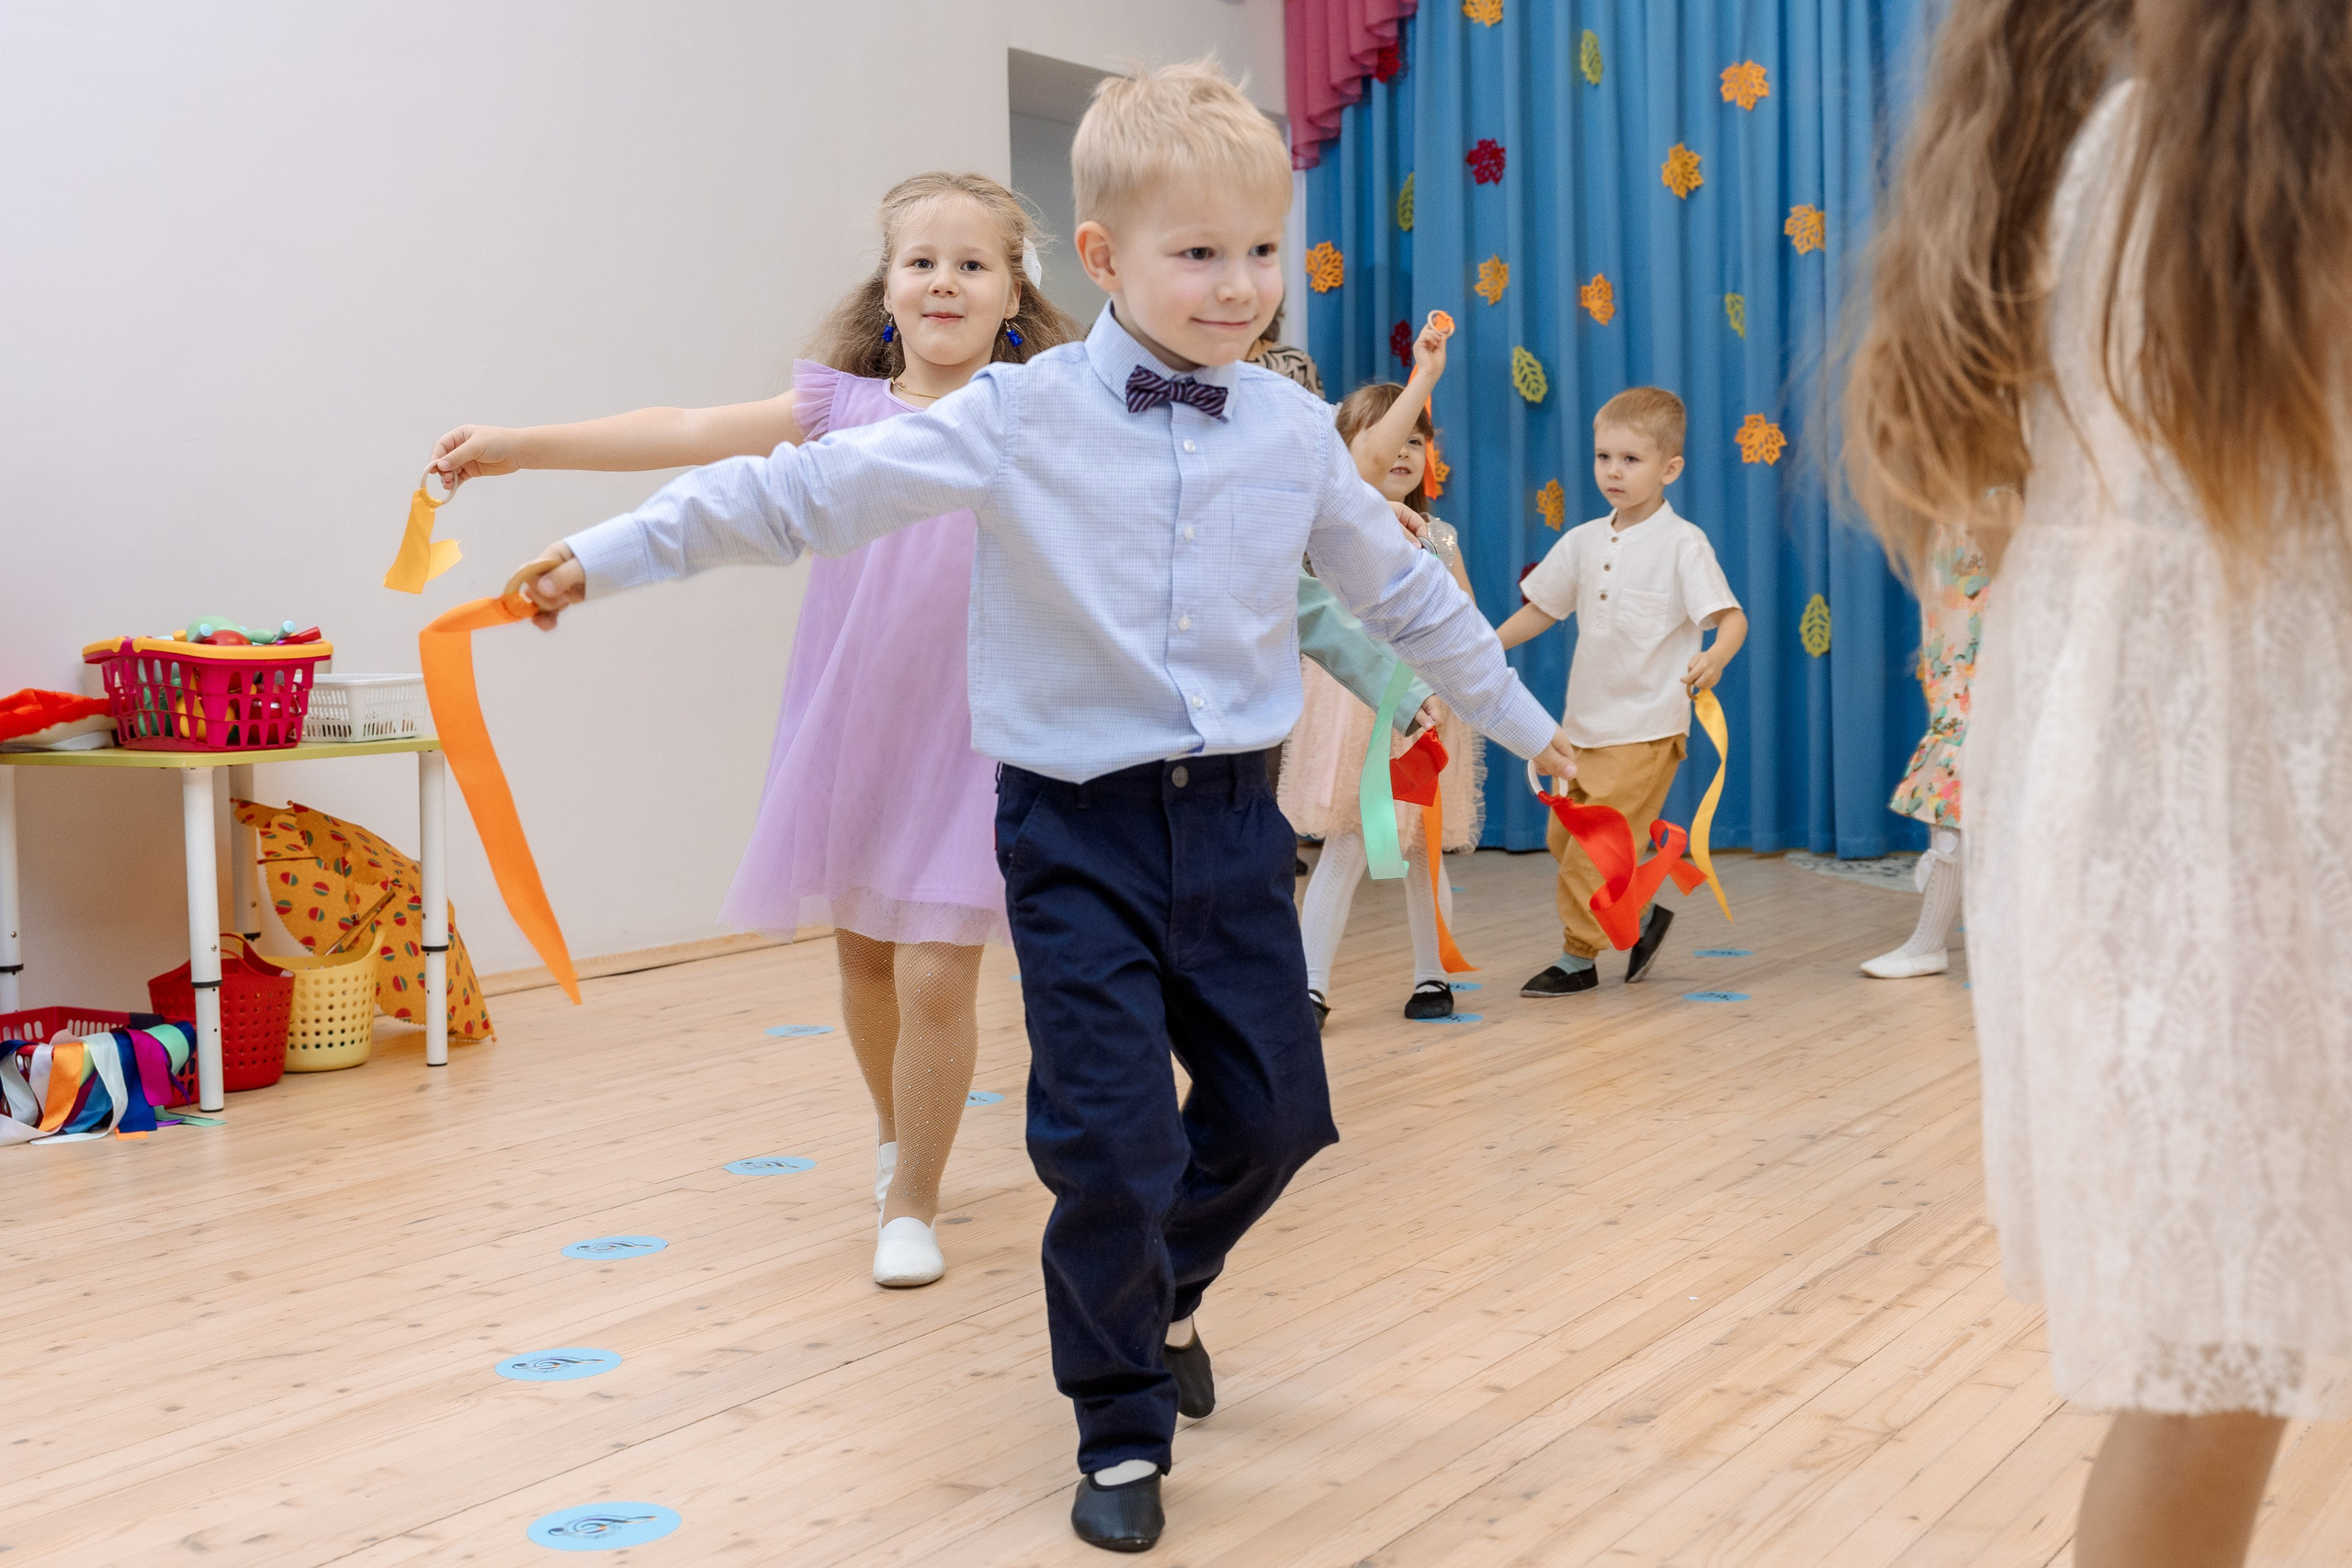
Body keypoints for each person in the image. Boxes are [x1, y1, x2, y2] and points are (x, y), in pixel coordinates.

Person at [507, 61, 1575, 1553]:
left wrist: (1535, 728)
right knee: (1109, 1137)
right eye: (1197, 253)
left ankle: (1169, 1285)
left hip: (1233, 827)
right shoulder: (1016, 414)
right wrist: (602, 555)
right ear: (1102, 256)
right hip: (1074, 829)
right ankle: (1120, 1424)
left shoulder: (1289, 431)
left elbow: (1402, 594)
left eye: (1261, 250)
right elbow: (795, 493)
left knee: (1278, 1115)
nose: (1238, 284)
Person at [426, 175, 1431, 1296]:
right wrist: (519, 446)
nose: (943, 282)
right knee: (863, 955)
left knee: (937, 969)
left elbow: (1225, 501)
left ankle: (912, 1199)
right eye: (921, 262)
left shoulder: (1048, 411)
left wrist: (1354, 534)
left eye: (971, 264)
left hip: (986, 731)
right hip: (857, 710)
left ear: (1014, 292)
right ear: (888, 285)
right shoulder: (843, 408)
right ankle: (894, 1139)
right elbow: (687, 432)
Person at [1844, 5, 2352, 1563]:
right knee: (2225, 1349)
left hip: (2141, 782)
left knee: (2215, 1360)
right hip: (2239, 777)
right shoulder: (2223, 166)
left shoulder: (2070, 154)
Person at [1496, 389, 1747, 996]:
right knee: (1566, 839)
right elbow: (1543, 609)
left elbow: (1731, 618)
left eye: (1631, 460)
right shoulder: (1584, 540)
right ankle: (1642, 915)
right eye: (1603, 456)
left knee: (1593, 848)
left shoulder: (1683, 544)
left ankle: (1578, 957)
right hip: (1583, 727)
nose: (1613, 470)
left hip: (1648, 727)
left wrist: (1714, 657)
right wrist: (1481, 648)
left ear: (1670, 469)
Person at [1283, 321, 1487, 1022]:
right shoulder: (1331, 530)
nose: (1401, 451)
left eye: (1415, 440)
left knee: (1422, 848)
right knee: (1348, 840)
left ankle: (1433, 976)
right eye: (1386, 438)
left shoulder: (1440, 536)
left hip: (1425, 703)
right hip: (1353, 707)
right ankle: (1309, 985)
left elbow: (1466, 617)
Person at [1863, 529, 1986, 979]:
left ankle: (1932, 942)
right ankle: (1930, 942)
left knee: (1962, 734)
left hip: (1986, 563)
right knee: (1956, 733)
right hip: (1959, 560)